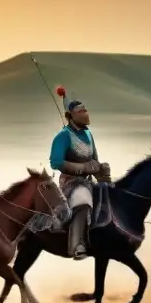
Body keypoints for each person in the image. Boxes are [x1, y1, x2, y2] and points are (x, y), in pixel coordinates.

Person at [49, 86, 111, 260]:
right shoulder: (63, 136)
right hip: (71, 182)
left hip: (89, 180)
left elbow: (95, 160)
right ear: (71, 116)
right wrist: (82, 168)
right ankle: (78, 245)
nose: (86, 113)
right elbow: (56, 162)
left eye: (86, 109)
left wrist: (101, 170)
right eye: (81, 111)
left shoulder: (88, 134)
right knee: (83, 202)